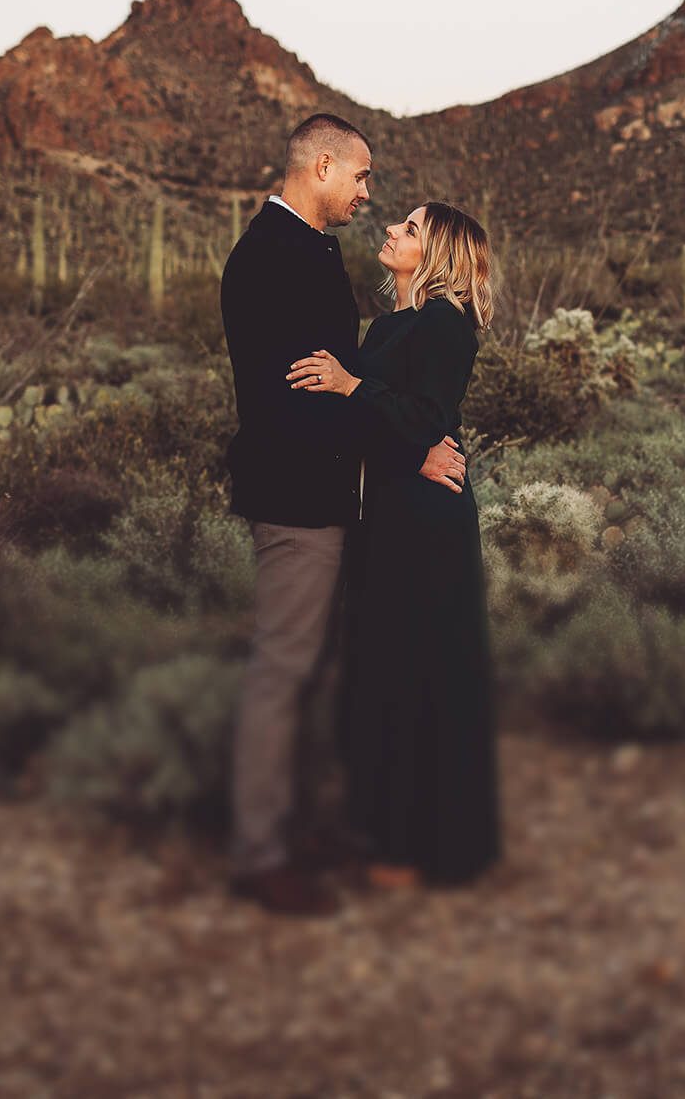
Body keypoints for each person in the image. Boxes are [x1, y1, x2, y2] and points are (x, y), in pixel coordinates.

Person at [219, 114, 466, 918]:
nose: (367, 193)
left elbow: (341, 379)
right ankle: (260, 853)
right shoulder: (271, 257)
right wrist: (417, 447)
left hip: (329, 497)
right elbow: (296, 399)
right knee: (285, 668)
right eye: (360, 177)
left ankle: (301, 828)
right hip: (297, 497)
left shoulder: (308, 249)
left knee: (317, 671)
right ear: (321, 167)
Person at [287, 201, 502, 890]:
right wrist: (403, 446)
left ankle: (433, 846)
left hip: (425, 525)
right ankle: (386, 833)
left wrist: (354, 387)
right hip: (391, 506)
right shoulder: (390, 323)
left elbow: (425, 416)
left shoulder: (446, 324)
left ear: (436, 252)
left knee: (421, 672)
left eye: (409, 229)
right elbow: (393, 430)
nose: (390, 231)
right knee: (384, 668)